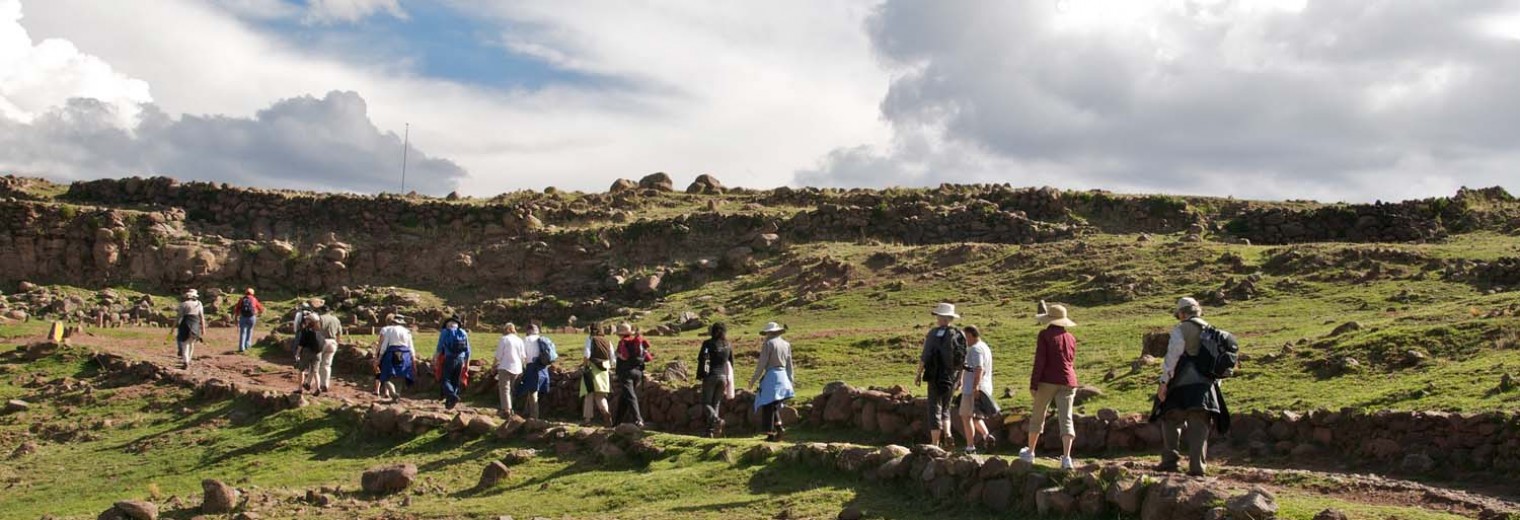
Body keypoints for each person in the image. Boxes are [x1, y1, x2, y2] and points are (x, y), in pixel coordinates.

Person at [1153, 297, 1231, 477]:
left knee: (1169, 417)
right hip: (1206, 387)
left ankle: (1170, 461)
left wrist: (1164, 382)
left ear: (1182, 313)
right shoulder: (1214, 332)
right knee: (1200, 425)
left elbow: (1172, 357)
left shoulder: (1180, 330)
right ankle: (1197, 468)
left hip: (1181, 384)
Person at [1021, 301, 1080, 469]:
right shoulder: (1071, 338)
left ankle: (1030, 452)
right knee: (1066, 417)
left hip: (1048, 379)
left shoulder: (1044, 335)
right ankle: (1066, 457)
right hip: (1069, 380)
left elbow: (1040, 361)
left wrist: (1033, 384)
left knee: (1038, 414)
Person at [915, 302, 966, 448]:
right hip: (952, 376)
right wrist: (960, 378)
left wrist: (918, 374)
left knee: (934, 408)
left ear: (941, 317)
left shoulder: (933, 334)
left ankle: (935, 443)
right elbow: (963, 358)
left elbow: (925, 356)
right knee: (946, 407)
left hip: (934, 375)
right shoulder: (959, 333)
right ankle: (948, 434)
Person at [749, 322, 794, 442]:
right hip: (783, 375)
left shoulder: (768, 344)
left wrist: (754, 379)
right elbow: (789, 364)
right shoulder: (786, 344)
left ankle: (771, 432)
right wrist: (790, 379)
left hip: (771, 376)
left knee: (768, 403)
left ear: (769, 333)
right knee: (773, 404)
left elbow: (762, 364)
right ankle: (778, 427)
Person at [959, 325, 999, 454]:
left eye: (965, 337)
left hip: (972, 388)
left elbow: (979, 368)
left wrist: (975, 386)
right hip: (984, 386)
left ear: (970, 335)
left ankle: (970, 447)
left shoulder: (975, 350)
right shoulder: (984, 347)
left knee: (966, 416)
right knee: (976, 417)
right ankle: (987, 436)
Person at [697, 322, 736, 438]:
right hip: (723, 377)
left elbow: (704, 360)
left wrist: (702, 374)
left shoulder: (708, 344)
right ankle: (711, 432)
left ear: (713, 331)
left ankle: (716, 419)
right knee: (716, 404)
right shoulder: (728, 345)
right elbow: (731, 362)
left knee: (706, 403)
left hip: (711, 376)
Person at [613, 323, 654, 427]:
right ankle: (616, 423)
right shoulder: (637, 342)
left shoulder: (623, 342)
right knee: (624, 398)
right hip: (638, 372)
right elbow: (648, 358)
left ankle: (638, 420)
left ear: (620, 334)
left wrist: (617, 354)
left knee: (630, 396)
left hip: (626, 373)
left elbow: (624, 357)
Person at [517, 324, 556, 419]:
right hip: (543, 367)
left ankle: (534, 417)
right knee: (535, 391)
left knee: (532, 391)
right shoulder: (543, 339)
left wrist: (521, 368)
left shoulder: (526, 340)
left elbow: (523, 356)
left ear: (528, 330)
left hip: (532, 367)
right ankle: (527, 412)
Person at [376, 314, 416, 402]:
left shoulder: (390, 330)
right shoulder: (407, 331)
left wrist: (379, 358)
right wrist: (413, 359)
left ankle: (393, 393)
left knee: (386, 376)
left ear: (394, 321)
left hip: (391, 353)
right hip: (405, 354)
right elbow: (411, 346)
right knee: (401, 376)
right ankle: (396, 395)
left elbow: (384, 345)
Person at [435, 315, 471, 410]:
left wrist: (435, 358)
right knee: (455, 380)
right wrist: (467, 363)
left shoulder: (445, 332)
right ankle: (450, 403)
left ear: (448, 324)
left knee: (445, 379)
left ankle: (452, 396)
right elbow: (468, 350)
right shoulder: (463, 332)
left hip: (449, 358)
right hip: (460, 359)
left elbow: (439, 347)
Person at [581, 325, 614, 426]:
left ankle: (587, 420)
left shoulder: (590, 339)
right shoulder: (608, 341)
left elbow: (587, 354)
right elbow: (613, 358)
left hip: (592, 369)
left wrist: (585, 365)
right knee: (600, 396)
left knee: (589, 394)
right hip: (604, 370)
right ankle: (606, 413)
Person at [494, 323, 526, 416]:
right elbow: (523, 356)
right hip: (517, 368)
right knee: (512, 389)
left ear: (506, 330)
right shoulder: (519, 340)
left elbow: (498, 355)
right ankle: (512, 407)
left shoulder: (504, 339)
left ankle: (506, 409)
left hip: (505, 366)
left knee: (505, 389)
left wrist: (493, 365)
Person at [315, 299, 344, 395]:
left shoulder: (320, 318)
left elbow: (315, 331)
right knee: (327, 365)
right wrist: (337, 343)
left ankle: (315, 384)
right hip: (333, 342)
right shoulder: (336, 319)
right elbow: (339, 333)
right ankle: (325, 384)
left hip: (322, 341)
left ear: (321, 311)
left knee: (316, 364)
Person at [175, 289, 206, 369]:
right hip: (195, 325)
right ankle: (189, 360)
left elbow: (178, 317)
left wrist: (173, 327)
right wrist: (203, 328)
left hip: (185, 324)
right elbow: (202, 317)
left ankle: (186, 362)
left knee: (185, 345)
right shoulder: (199, 304)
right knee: (191, 344)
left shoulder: (183, 304)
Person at [294, 313, 323, 393]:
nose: (305, 320)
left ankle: (300, 389)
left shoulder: (306, 330)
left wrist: (297, 353)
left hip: (307, 352)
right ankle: (318, 388)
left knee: (301, 370)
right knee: (315, 371)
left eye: (307, 319)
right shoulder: (320, 330)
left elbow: (301, 343)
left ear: (310, 321)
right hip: (318, 353)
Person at [230, 288, 264, 353]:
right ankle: (247, 346)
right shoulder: (254, 299)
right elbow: (261, 309)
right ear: (252, 293)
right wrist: (258, 314)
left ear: (245, 293)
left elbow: (237, 309)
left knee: (243, 332)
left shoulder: (242, 299)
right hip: (252, 317)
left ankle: (241, 348)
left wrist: (236, 318)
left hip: (243, 317)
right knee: (250, 330)